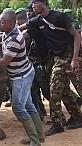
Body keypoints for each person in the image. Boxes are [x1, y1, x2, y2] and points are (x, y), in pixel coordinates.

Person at [0, 10, 44, 146]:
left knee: (18, 108)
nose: (0, 24)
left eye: (3, 23)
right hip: (22, 73)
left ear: (12, 24)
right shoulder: (8, 32)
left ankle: (35, 141)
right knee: (28, 105)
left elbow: (3, 62)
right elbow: (1, 37)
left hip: (22, 76)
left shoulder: (15, 38)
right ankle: (38, 136)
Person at [24, 0, 82, 136]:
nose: (33, 5)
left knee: (55, 89)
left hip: (69, 54)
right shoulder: (38, 21)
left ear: (44, 3)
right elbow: (23, 29)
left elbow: (76, 35)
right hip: (57, 57)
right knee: (64, 89)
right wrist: (3, 36)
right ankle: (77, 117)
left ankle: (57, 124)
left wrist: (74, 59)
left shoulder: (59, 16)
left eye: (36, 2)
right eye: (32, 3)